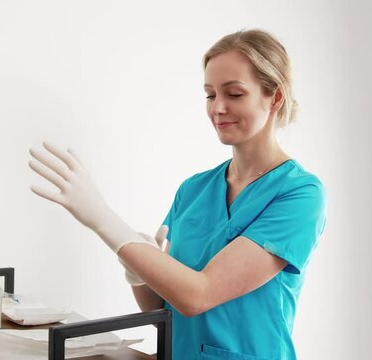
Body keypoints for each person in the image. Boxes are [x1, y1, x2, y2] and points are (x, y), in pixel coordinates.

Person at [28, 29, 326, 360]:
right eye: (210, 95)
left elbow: (198, 295)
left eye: (235, 94)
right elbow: (164, 305)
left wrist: (102, 218)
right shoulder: (194, 189)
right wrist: (138, 273)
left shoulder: (299, 194)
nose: (219, 108)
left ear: (275, 97)